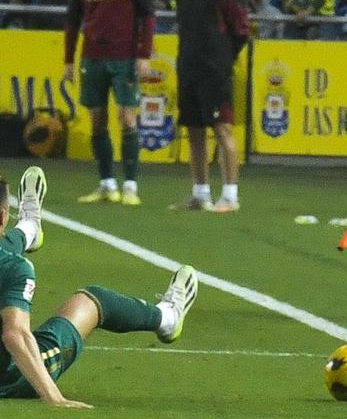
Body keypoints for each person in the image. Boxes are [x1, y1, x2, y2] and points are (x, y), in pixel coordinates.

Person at [0, 166, 199, 406]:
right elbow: (15, 334)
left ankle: (29, 228)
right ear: (3, 217)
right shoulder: (16, 268)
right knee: (93, 300)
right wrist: (55, 398)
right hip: (10, 375)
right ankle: (167, 318)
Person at [64, 0, 156, 206]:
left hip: (124, 57)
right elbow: (72, 20)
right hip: (92, 57)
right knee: (97, 120)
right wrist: (68, 59)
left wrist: (143, 54)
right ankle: (106, 183)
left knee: (127, 118)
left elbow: (148, 16)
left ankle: (130, 185)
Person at [171, 0, 249, 213]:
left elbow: (241, 31)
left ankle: (230, 195)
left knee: (223, 129)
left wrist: (223, 59)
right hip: (189, 70)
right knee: (194, 131)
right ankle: (200, 193)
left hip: (215, 73)